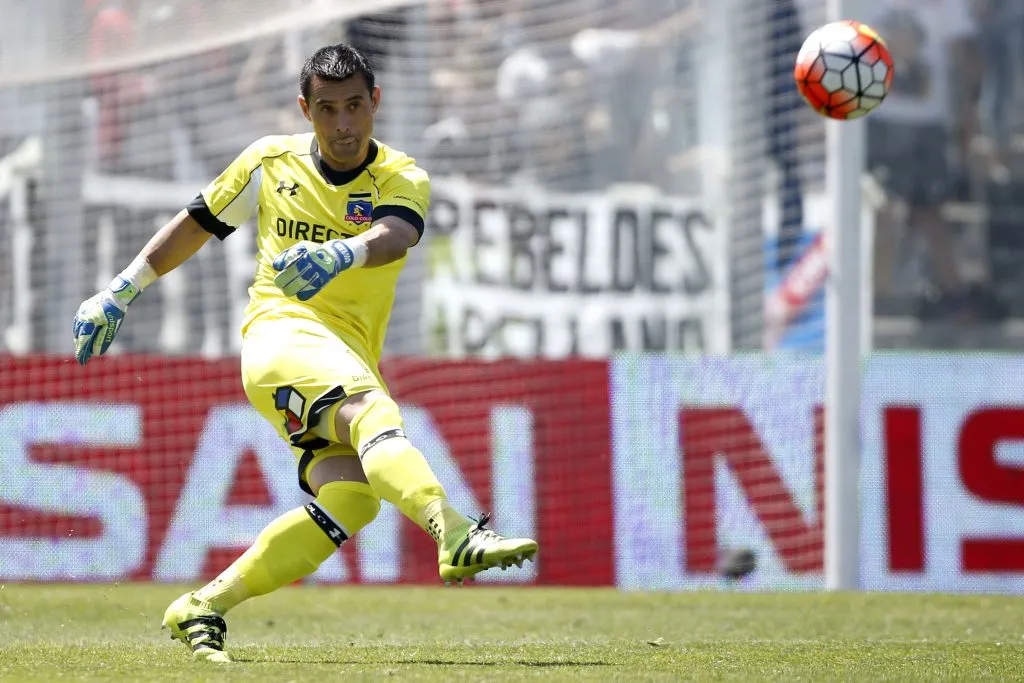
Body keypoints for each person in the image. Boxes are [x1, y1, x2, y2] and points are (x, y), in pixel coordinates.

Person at [71, 43, 538, 663]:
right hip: (278, 336)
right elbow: (197, 223)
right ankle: (453, 532)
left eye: (354, 107)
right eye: (327, 110)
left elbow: (396, 235)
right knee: (374, 417)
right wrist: (121, 289)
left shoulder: (402, 176)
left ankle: (202, 606)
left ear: (375, 102)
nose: (343, 125)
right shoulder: (270, 161)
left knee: (350, 499)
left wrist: (342, 253)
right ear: (305, 109)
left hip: (346, 352)